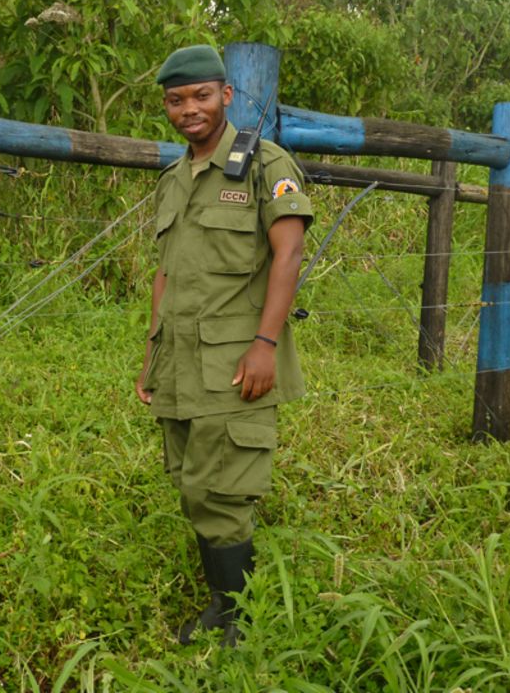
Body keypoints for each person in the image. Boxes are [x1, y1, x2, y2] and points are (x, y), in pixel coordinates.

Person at [135, 44, 313, 646]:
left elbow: (288, 254)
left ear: (226, 96)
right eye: (176, 100)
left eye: (201, 96)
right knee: (193, 482)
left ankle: (239, 619)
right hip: (180, 361)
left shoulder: (265, 164)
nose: (189, 109)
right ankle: (222, 605)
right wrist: (151, 354)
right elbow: (166, 273)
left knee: (225, 488)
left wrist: (264, 344)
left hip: (237, 362)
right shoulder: (172, 180)